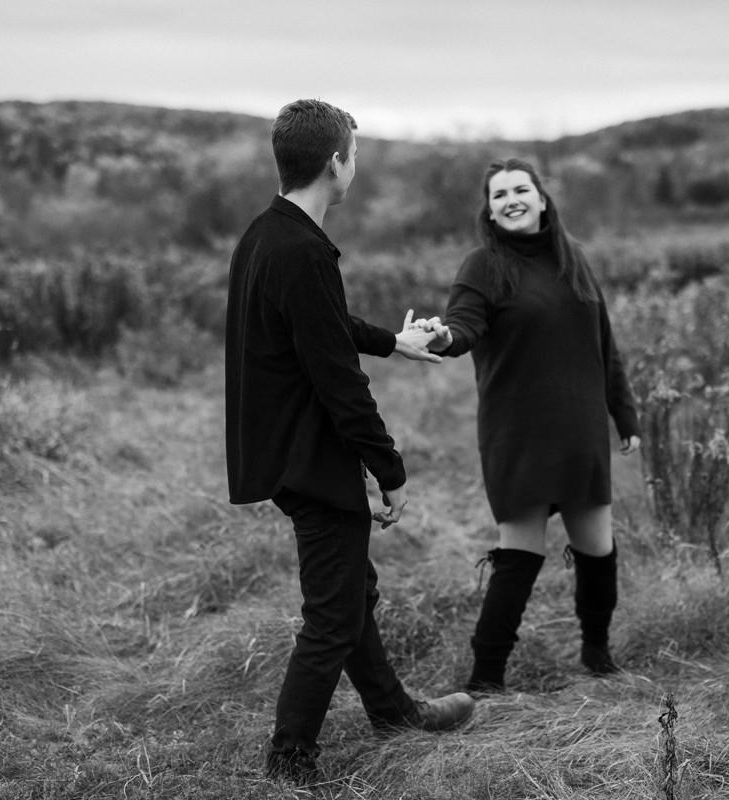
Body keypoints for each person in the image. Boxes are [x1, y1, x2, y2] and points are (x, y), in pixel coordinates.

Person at [224, 99, 474, 785]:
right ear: (336, 162)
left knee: (349, 590)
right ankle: (289, 762)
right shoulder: (302, 251)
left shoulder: (267, 234)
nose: (355, 164)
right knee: (332, 616)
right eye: (354, 153)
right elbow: (338, 380)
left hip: (284, 452)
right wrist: (388, 467)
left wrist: (392, 340)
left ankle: (395, 712)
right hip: (308, 456)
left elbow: (325, 326)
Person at [420, 157, 641, 693]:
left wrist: (624, 412)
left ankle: (596, 653)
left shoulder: (574, 261)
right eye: (499, 195)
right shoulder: (484, 266)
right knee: (519, 554)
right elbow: (464, 325)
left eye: (521, 189)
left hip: (580, 428)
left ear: (542, 199)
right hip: (518, 432)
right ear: (490, 212)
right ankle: (485, 678)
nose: (511, 200)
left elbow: (603, 345)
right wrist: (442, 337)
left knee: (598, 550)